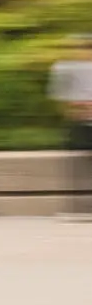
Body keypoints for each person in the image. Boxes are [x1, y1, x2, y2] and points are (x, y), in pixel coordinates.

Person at [47, 36, 92, 220]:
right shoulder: (66, 68)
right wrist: (74, 109)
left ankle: (81, 208)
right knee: (76, 165)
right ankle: (77, 208)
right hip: (78, 123)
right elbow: (60, 96)